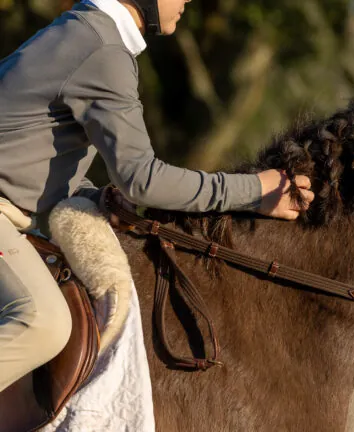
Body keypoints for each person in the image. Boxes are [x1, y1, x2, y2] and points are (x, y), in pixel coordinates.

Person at [0, 0, 315, 392]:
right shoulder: (102, 49)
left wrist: (98, 197)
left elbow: (29, 153)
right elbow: (143, 179)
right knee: (43, 323)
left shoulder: (84, 32)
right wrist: (255, 191)